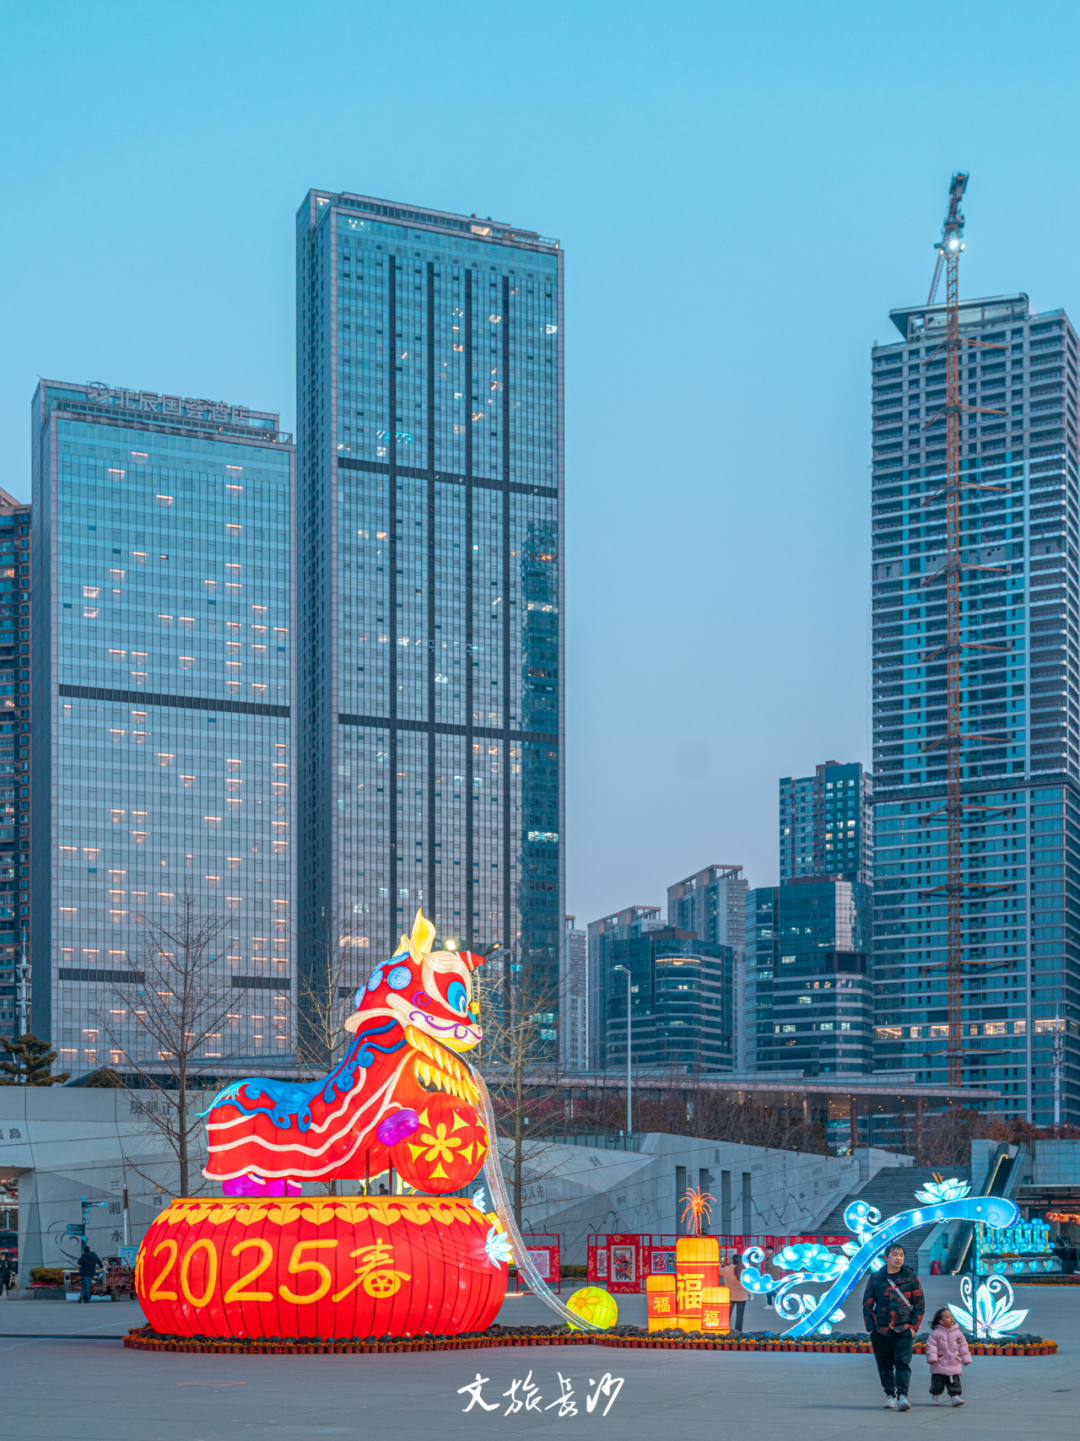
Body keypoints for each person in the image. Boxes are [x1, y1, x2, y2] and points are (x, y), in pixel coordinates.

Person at [862, 1243, 924, 1411]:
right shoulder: (876, 1278)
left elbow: (919, 1304)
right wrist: (871, 1328)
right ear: (886, 1258)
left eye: (901, 1255)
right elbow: (867, 1304)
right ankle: (890, 1395)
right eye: (895, 1254)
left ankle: (903, 1396)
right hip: (881, 1330)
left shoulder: (911, 1277)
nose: (898, 1258)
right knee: (884, 1365)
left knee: (902, 1363)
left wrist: (913, 1327)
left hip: (903, 1329)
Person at [925, 1306, 971, 1407]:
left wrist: (966, 1359)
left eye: (951, 1316)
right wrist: (932, 1358)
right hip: (940, 1362)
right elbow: (931, 1346)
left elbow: (963, 1346)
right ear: (941, 1321)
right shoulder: (936, 1333)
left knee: (954, 1382)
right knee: (938, 1383)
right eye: (948, 1317)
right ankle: (935, 1396)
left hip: (953, 1362)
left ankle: (955, 1397)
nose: (951, 1318)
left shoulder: (958, 1333)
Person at [721, 1252, 750, 1333]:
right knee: (740, 1315)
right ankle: (738, 1331)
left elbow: (720, 1272)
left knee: (727, 1314)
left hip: (729, 1296)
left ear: (732, 1260)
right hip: (742, 1296)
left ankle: (724, 1329)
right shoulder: (745, 1271)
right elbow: (748, 1284)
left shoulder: (726, 1269)